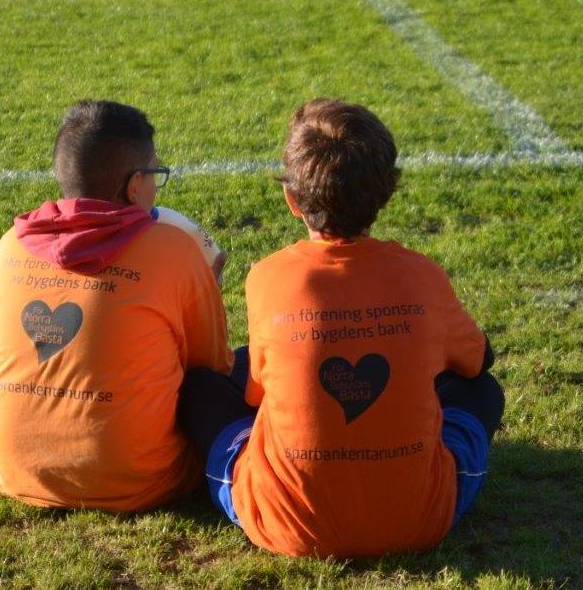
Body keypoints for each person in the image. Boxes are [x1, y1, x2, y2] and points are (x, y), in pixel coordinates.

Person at [178, 98, 505, 558]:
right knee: (480, 389)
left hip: (284, 524)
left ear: (292, 199)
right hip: (421, 519)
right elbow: (479, 362)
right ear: (387, 192)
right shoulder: (421, 276)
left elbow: (255, 396)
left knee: (202, 384)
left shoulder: (269, 276)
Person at [0, 100, 233, 511]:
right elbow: (210, 368)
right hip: (139, 481)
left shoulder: (10, 245)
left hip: (14, 470)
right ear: (134, 186)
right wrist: (204, 291)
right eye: (155, 173)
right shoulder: (171, 248)